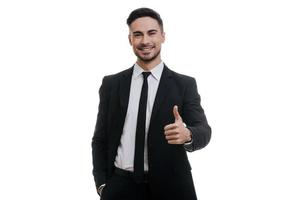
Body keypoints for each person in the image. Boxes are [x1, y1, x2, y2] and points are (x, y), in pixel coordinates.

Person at [92, 7, 211, 200]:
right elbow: (100, 139)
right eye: (137, 34)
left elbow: (204, 130)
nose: (145, 41)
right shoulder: (111, 84)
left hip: (172, 188)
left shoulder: (184, 84)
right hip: (121, 187)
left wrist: (187, 134)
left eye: (151, 33)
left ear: (163, 36)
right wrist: (102, 184)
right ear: (130, 39)